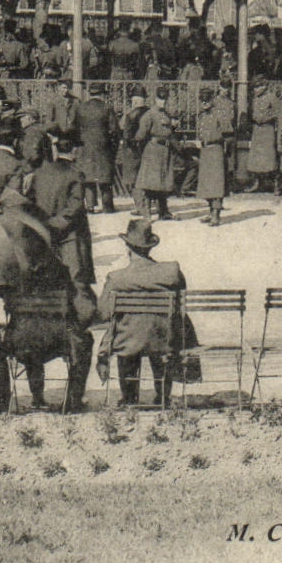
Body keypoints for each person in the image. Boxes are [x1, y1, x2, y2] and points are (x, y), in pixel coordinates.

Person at [22, 134, 97, 411]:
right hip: (68, 238)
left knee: (47, 279)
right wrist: (56, 224)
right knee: (75, 281)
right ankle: (76, 319)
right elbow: (76, 207)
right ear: (74, 150)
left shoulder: (40, 173)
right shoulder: (76, 174)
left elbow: (29, 203)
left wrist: (43, 226)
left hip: (44, 237)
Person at [96, 219, 191, 407]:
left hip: (128, 342)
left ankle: (129, 398)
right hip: (164, 340)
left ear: (128, 248)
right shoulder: (171, 272)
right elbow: (181, 303)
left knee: (129, 336)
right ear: (150, 247)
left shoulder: (117, 278)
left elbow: (104, 313)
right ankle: (162, 396)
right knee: (157, 330)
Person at [134, 87, 178, 221]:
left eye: (164, 99)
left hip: (165, 151)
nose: (162, 102)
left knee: (163, 182)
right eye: (160, 99)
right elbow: (140, 135)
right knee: (150, 183)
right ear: (155, 99)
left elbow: (168, 131)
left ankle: (163, 211)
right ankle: (146, 213)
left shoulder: (166, 115)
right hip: (153, 151)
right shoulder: (149, 115)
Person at [73, 84, 116, 213]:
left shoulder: (81, 108)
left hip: (85, 145)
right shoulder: (107, 108)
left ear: (89, 94)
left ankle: (90, 206)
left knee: (88, 176)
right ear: (102, 94)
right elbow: (114, 129)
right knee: (105, 177)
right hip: (103, 145)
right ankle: (107, 206)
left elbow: (74, 127)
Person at [195, 85, 231, 225]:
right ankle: (211, 212)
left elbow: (227, 133)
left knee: (216, 184)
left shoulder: (219, 115)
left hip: (216, 151)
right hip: (205, 151)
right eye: (202, 101)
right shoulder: (202, 116)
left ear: (212, 100)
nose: (204, 103)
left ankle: (216, 215)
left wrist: (222, 147)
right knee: (207, 184)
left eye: (207, 100)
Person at [246, 81, 281, 195]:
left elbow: (278, 113)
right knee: (255, 158)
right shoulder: (254, 99)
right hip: (257, 130)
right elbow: (251, 113)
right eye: (255, 87)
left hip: (268, 129)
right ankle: (256, 183)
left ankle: (276, 185)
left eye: (258, 87)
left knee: (270, 157)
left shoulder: (272, 97)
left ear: (264, 86)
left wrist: (266, 118)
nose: (256, 90)